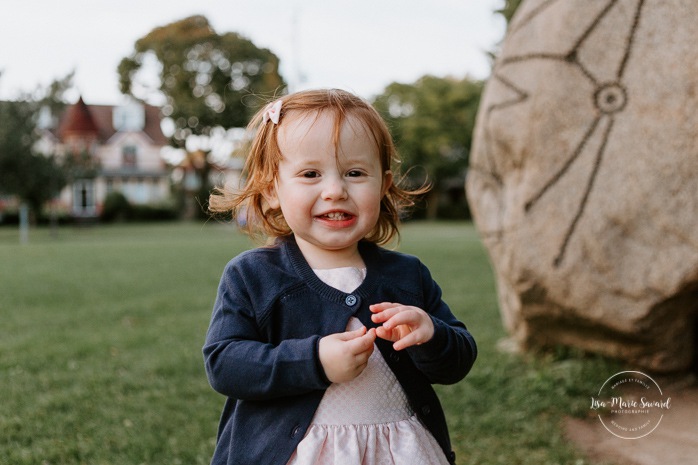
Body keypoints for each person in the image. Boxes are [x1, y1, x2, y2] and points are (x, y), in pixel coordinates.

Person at [203, 88, 477, 465]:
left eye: (354, 173)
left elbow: (459, 358)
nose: (335, 190)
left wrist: (430, 333)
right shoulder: (252, 275)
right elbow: (225, 363)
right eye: (311, 174)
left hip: (397, 452)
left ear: (382, 185)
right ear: (272, 190)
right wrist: (313, 360)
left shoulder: (407, 275)